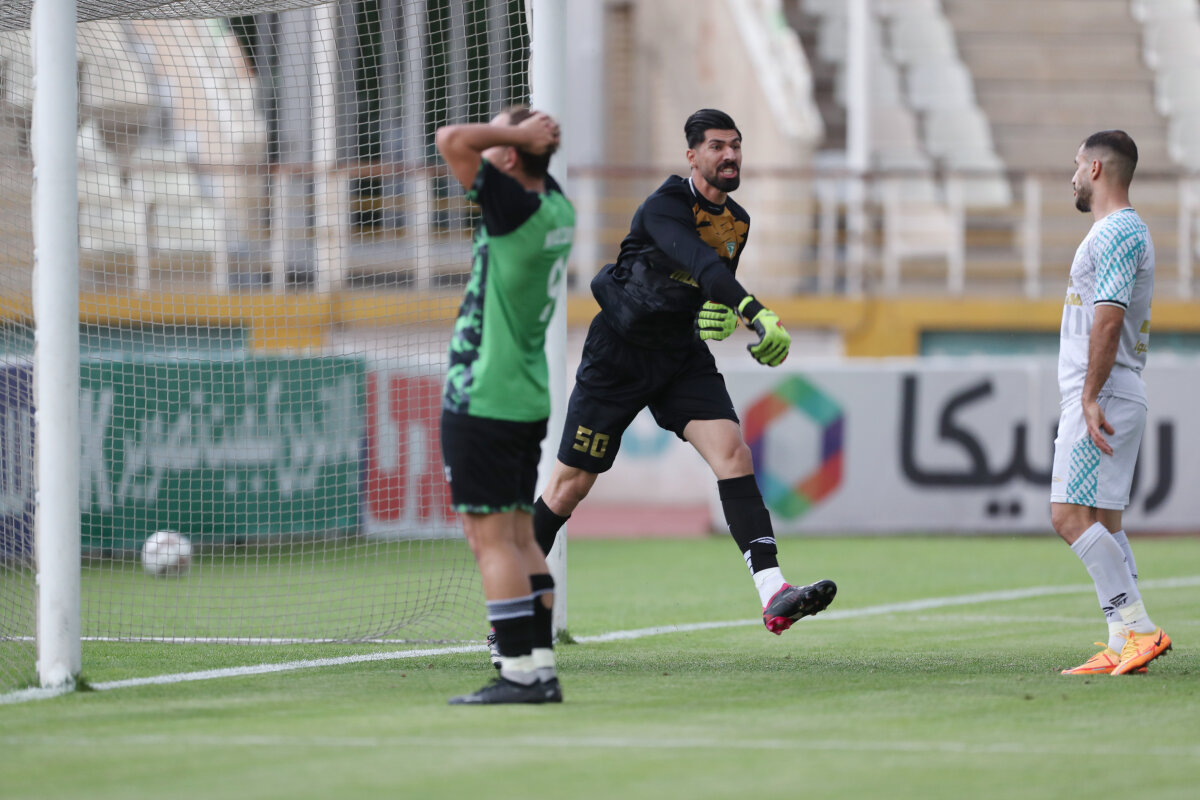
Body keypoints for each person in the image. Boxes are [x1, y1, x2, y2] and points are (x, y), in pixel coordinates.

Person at [531, 109, 836, 635]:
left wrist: (719, 317)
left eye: (736, 145)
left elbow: (708, 290)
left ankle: (774, 591)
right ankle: (509, 611)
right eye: (717, 146)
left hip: (679, 356)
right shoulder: (665, 206)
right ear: (692, 156)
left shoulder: (737, 223)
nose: (730, 155)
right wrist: (755, 311)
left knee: (734, 454)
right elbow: (701, 264)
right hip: (618, 355)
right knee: (568, 488)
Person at [436, 107, 575, 704]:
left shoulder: (512, 208)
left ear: (512, 156)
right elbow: (504, 158)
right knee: (520, 540)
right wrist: (527, 139)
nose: (484, 155)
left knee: (491, 541)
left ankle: (516, 672)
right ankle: (539, 668)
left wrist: (515, 133)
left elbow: (450, 139)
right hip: (525, 395)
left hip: (486, 396)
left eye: (499, 145)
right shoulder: (557, 210)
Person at [1055, 130, 1171, 676]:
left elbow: (1109, 315)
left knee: (1068, 516)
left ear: (1097, 169)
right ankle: (1123, 638)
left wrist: (1088, 394)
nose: (1073, 176)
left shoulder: (1119, 230)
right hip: (1110, 387)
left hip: (1104, 390)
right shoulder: (1118, 231)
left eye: (1078, 165)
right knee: (1104, 518)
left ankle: (1140, 627)